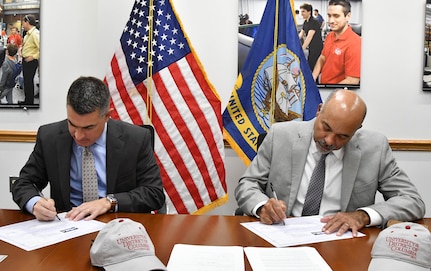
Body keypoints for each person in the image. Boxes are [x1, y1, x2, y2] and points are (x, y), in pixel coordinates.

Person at [234, 89, 425, 237]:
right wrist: (262, 206)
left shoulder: (375, 148)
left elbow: (412, 201)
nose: (330, 141)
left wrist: (362, 216)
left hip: (341, 240)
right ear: (318, 111)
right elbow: (248, 184)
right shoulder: (281, 135)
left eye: (343, 136)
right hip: (283, 234)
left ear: (357, 130)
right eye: (326, 128)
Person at [12, 76, 165, 221]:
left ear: (107, 116)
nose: (78, 136)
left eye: (88, 127)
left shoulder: (136, 139)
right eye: (72, 124)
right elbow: (23, 183)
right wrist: (35, 203)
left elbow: (154, 193)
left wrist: (109, 202)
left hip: (117, 226)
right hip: (67, 227)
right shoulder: (50, 137)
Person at [312, 0, 361, 85]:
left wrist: (329, 94)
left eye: (336, 16)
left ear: (348, 16)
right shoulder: (330, 36)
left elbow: (352, 80)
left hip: (337, 94)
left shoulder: (355, 43)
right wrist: (312, 79)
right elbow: (322, 58)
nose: (331, 21)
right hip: (324, 86)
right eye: (329, 16)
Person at [19, 14, 39, 105]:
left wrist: (34, 56)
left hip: (30, 62)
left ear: (27, 22)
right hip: (25, 61)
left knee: (29, 82)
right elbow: (26, 45)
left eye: (23, 22)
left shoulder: (35, 33)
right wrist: (21, 50)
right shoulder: (27, 34)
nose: (23, 25)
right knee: (27, 82)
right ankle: (27, 100)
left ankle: (29, 102)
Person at [298, 3, 323, 71]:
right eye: (301, 11)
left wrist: (302, 49)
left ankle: (315, 81)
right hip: (311, 48)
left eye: (303, 11)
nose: (301, 13)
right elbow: (301, 34)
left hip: (317, 48)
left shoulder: (314, 22)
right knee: (310, 65)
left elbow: (309, 37)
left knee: (313, 67)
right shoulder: (306, 22)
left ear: (309, 12)